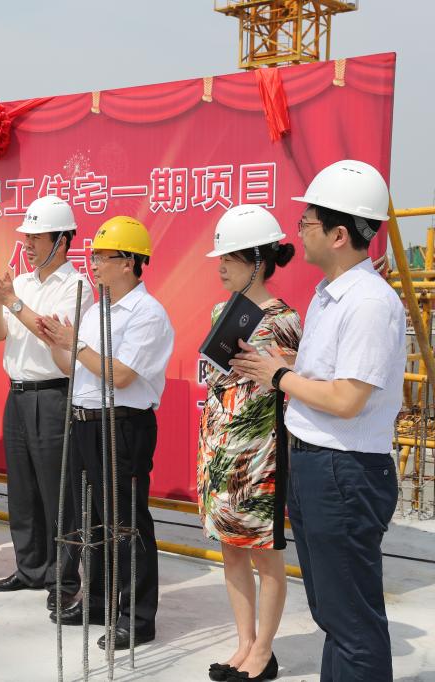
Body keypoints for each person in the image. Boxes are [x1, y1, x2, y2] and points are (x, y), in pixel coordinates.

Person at [231, 160, 404, 682]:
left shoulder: (368, 303)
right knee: (332, 612)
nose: (300, 231)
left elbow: (348, 399)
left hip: (343, 471)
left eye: (307, 223)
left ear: (339, 234)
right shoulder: (331, 295)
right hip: (317, 466)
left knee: (351, 619)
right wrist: (281, 370)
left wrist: (279, 375)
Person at [39, 216, 174, 649]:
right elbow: (74, 368)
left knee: (126, 523)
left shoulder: (148, 314)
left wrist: (74, 342)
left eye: (102, 257)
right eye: (93, 256)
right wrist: (56, 342)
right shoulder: (97, 310)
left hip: (122, 425)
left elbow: (122, 374)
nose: (93, 264)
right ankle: (96, 601)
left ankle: (136, 616)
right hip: (84, 420)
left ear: (130, 262)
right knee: (90, 520)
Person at [197, 205, 299, 682]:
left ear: (257, 260)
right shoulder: (222, 312)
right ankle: (244, 643)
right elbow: (210, 377)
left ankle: (263, 651)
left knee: (264, 551)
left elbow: (288, 383)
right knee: (232, 549)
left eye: (229, 258)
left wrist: (271, 366)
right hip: (219, 447)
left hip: (260, 456)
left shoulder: (284, 319)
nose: (220, 266)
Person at [0, 195, 92, 611]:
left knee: (58, 493)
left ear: (61, 241)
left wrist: (11, 301)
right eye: (26, 237)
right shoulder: (21, 284)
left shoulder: (77, 286)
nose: (27, 244)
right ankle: (29, 568)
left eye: (36, 238)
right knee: (22, 489)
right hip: (19, 394)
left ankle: (63, 578)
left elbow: (51, 334)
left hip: (54, 395)